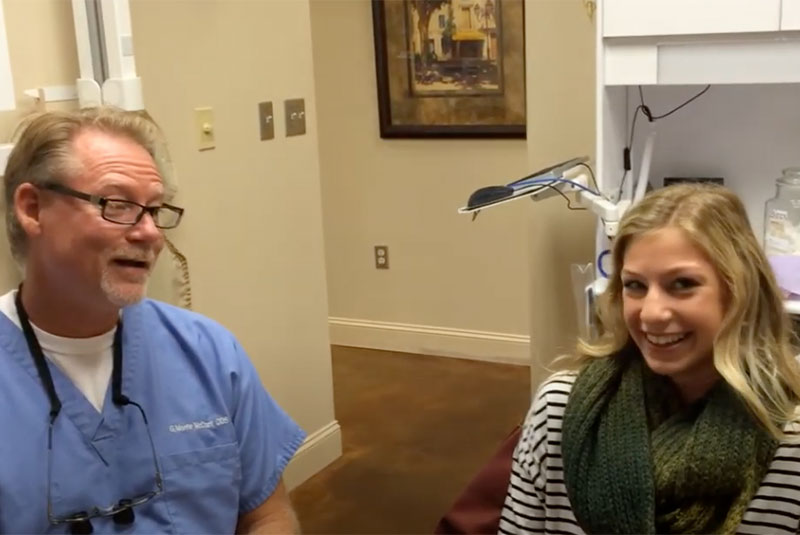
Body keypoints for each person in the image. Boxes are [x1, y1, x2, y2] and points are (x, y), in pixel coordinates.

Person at [0, 107, 306, 534]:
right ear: (33, 209)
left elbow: (267, 515)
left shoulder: (210, 354)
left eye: (155, 210)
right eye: (119, 204)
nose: (151, 234)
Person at [499, 183, 800, 535]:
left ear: (740, 293)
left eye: (683, 284)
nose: (652, 313)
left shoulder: (788, 439)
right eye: (635, 286)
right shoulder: (559, 409)